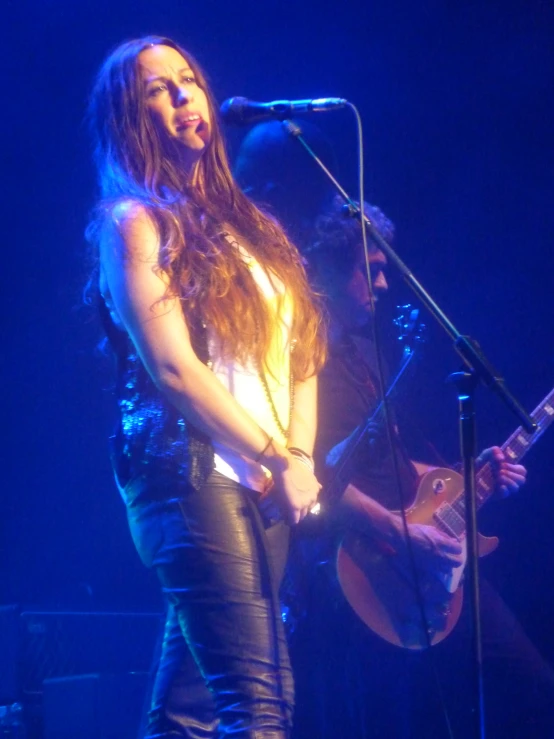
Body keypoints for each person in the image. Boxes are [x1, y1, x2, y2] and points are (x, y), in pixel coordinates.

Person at [86, 36, 327, 738]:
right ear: (129, 117)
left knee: (188, 708)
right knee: (259, 702)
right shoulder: (134, 224)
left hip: (264, 474)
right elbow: (173, 368)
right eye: (159, 89)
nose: (184, 95)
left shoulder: (255, 229)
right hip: (190, 475)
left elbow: (303, 351)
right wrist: (276, 456)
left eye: (188, 80)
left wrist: (299, 457)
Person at [284, 195, 554, 738]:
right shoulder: (301, 361)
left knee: (533, 688)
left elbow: (396, 458)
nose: (383, 285)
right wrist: (402, 531)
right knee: (408, 718)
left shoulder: (362, 355)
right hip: (374, 564)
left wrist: (471, 468)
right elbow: (313, 477)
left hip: (431, 554)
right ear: (334, 270)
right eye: (372, 270)